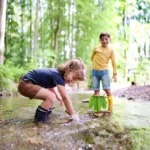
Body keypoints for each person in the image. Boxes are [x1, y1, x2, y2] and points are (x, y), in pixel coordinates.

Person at [18, 58, 86, 123]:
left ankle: (47, 116)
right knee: (50, 97)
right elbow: (65, 98)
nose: (72, 81)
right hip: (26, 84)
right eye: (73, 77)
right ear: (68, 69)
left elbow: (49, 86)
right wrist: (73, 115)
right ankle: (39, 121)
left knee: (52, 98)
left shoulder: (57, 74)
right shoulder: (57, 76)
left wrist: (57, 96)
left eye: (75, 80)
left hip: (26, 83)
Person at [91, 32, 117, 112]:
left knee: (107, 89)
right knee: (96, 91)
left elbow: (113, 62)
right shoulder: (96, 48)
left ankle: (110, 108)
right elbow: (92, 58)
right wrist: (96, 64)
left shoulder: (111, 50)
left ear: (109, 39)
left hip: (104, 72)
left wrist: (115, 74)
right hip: (95, 72)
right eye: (102, 39)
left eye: (106, 39)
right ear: (100, 40)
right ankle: (97, 108)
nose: (104, 41)